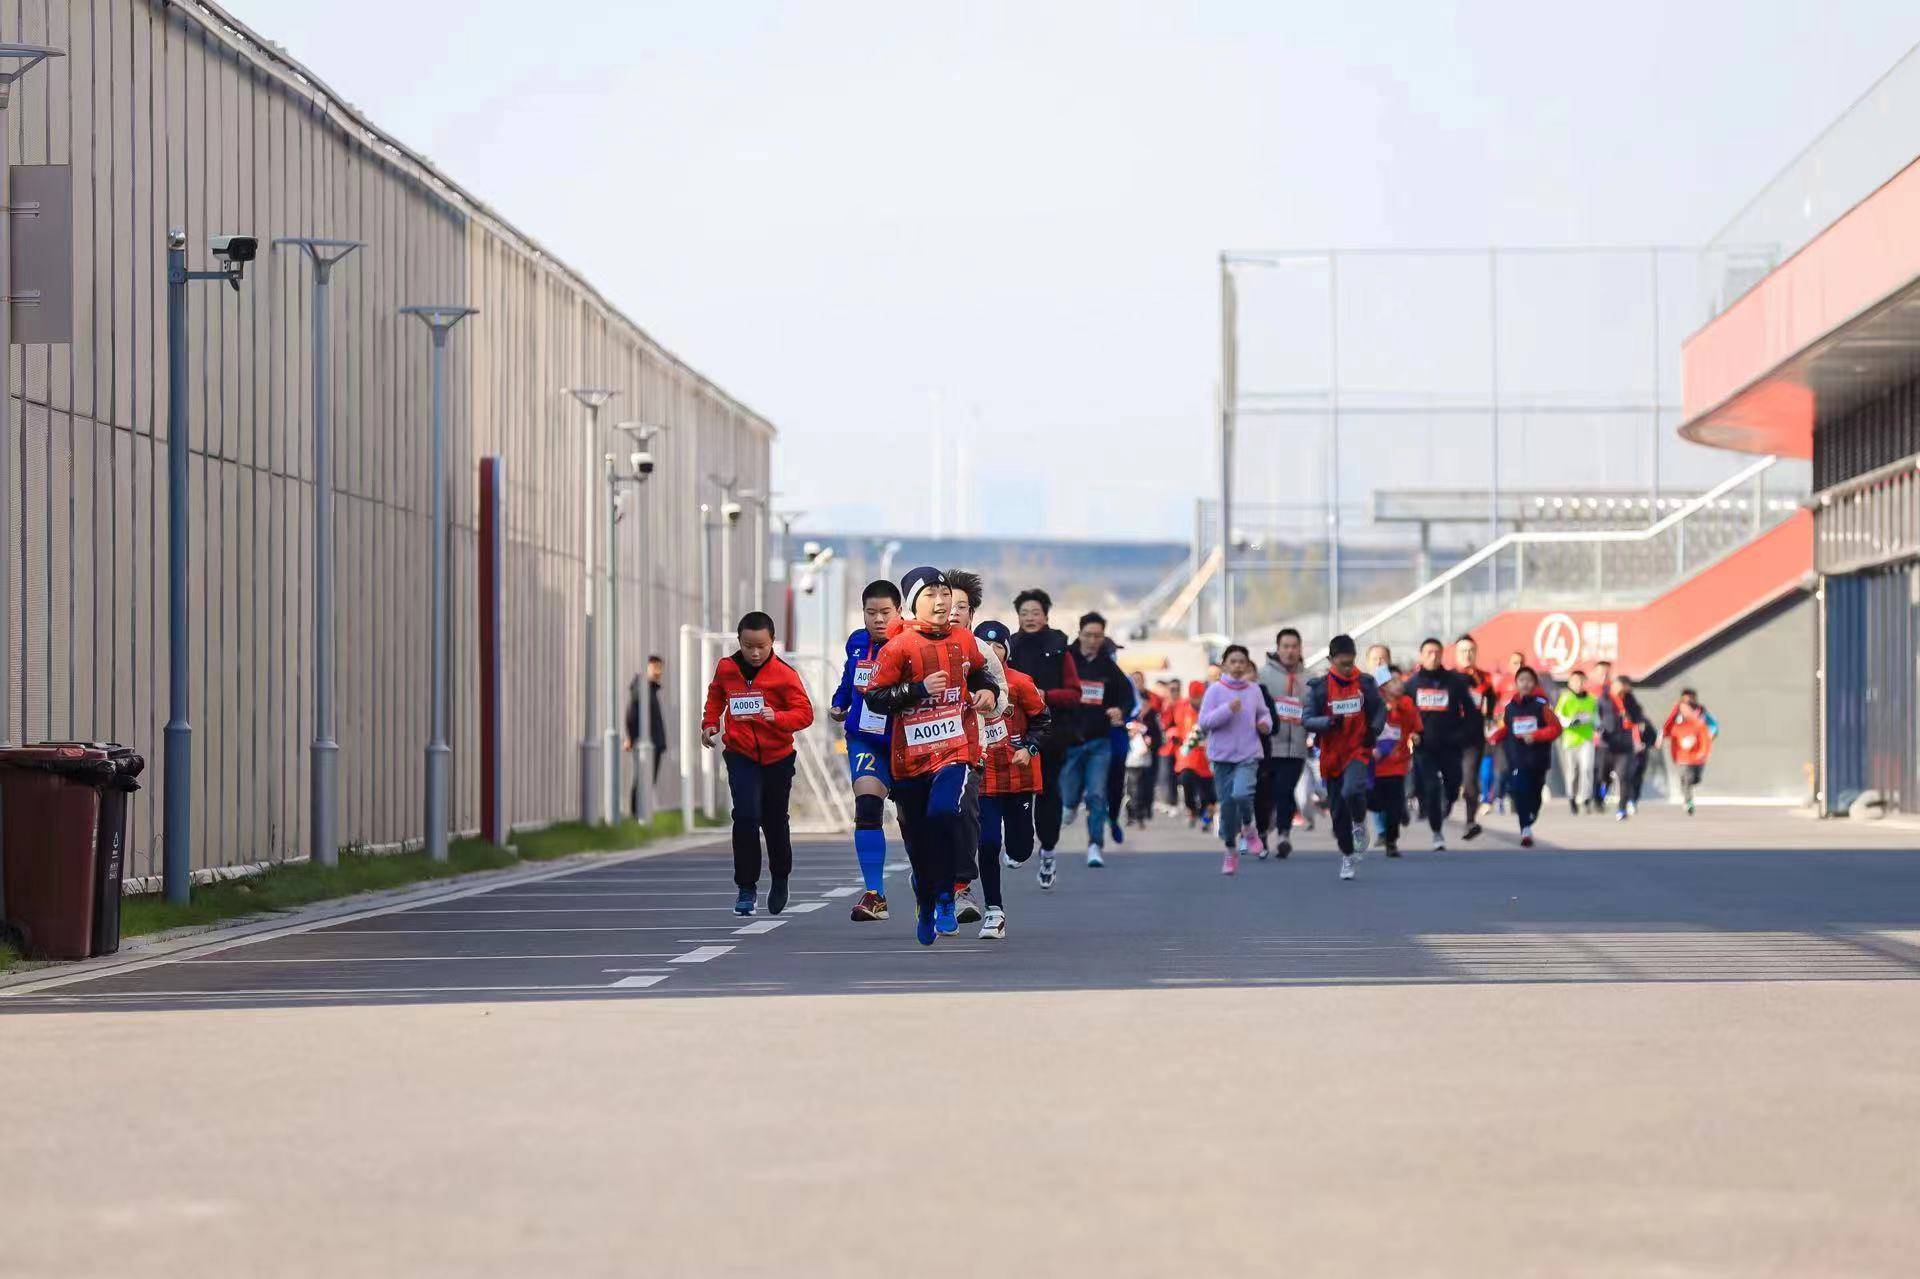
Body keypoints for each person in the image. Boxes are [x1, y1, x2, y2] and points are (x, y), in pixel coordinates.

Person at [861, 568, 999, 945]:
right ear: (911, 605)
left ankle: (948, 893)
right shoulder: (898, 647)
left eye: (944, 594)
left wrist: (987, 693)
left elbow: (981, 676)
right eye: (931, 596)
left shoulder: (963, 640)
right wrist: (917, 689)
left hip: (956, 748)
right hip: (910, 758)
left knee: (945, 810)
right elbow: (875, 697)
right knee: (918, 842)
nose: (941, 603)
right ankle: (927, 895)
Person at [700, 612, 816, 916]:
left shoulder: (784, 674)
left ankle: (780, 878)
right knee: (746, 816)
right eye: (748, 645)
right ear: (739, 641)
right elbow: (716, 697)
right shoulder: (727, 668)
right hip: (741, 755)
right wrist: (710, 723)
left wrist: (776, 717)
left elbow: (805, 713)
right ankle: (746, 887)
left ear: (772, 643)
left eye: (761, 646)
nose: (754, 652)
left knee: (775, 821)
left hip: (778, 757)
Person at [828, 579, 902, 923]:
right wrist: (840, 703)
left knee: (916, 823)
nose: (878, 619)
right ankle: (875, 894)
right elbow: (848, 679)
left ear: (899, 612)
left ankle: (936, 890)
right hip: (865, 739)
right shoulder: (857, 643)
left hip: (906, 741)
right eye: (871, 612)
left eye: (885, 612)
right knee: (868, 805)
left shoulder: (911, 644)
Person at [971, 620, 1051, 939]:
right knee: (988, 842)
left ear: (1007, 651)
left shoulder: (1020, 683)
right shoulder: (967, 685)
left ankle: (1016, 852)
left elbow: (1042, 720)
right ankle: (994, 910)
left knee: (1019, 848)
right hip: (983, 775)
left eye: (998, 647)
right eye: (984, 648)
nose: (991, 652)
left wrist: (1029, 748)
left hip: (1018, 775)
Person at [943, 569, 1009, 925]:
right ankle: (928, 875)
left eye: (962, 606)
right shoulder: (916, 643)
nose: (953, 611)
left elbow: (1000, 696)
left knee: (964, 812)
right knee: (927, 821)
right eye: (947, 603)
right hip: (922, 750)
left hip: (969, 747)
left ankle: (960, 886)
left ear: (972, 614)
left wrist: (987, 699)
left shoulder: (981, 650)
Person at [1005, 588, 1083, 889]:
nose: (1030, 618)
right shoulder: (1010, 646)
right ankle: (1017, 847)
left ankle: (1048, 851)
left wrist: (1045, 695)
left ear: (1046, 615)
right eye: (1024, 614)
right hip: (1015, 733)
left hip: (1052, 733)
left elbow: (1075, 693)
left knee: (1048, 795)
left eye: (1035, 613)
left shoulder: (1060, 646)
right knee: (1015, 794)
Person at [1303, 633, 1385, 882]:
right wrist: (1328, 722)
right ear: (1331, 660)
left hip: (1357, 750)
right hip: (1331, 756)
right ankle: (1347, 855)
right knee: (1337, 812)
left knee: (1353, 790)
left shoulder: (1366, 683)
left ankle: (1360, 822)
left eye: (1351, 662)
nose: (1348, 668)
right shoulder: (1318, 688)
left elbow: (1379, 709)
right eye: (1342, 663)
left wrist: (1373, 730)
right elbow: (1306, 719)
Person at [1060, 611, 1132, 869]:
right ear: (1079, 634)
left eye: (1098, 636)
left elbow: (1126, 696)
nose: (1092, 640)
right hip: (1070, 742)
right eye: (1088, 635)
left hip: (1099, 742)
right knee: (1068, 797)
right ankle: (1068, 808)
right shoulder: (1064, 659)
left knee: (1097, 794)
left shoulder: (1109, 668)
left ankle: (1094, 845)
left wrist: (1119, 711)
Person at [1200, 645, 1273, 875]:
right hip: (1222, 757)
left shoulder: (1254, 690)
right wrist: (1227, 710)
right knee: (1228, 806)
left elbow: (1264, 713)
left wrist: (1265, 725)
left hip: (1248, 753)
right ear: (1224, 665)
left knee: (1242, 793)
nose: (1238, 666)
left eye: (1242, 661)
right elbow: (1204, 722)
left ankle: (1249, 828)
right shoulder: (1215, 691)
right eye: (1233, 661)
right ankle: (1230, 851)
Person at [1404, 637, 1476, 851]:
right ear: (1421, 655)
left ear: (1442, 654)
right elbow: (1404, 714)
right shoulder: (1412, 684)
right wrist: (1410, 734)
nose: (1433, 656)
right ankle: (1437, 832)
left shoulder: (1454, 681)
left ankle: (1447, 804)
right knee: (1432, 787)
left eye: (1437, 652)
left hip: (1450, 745)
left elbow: (1470, 711)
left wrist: (1463, 735)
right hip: (1424, 747)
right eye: (1429, 653)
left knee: (1453, 785)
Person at [1487, 665, 1562, 847]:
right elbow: (1508, 728)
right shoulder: (1510, 708)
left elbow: (1556, 728)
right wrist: (1496, 736)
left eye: (1529, 680)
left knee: (1535, 794)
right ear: (1516, 684)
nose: (1525, 684)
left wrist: (1536, 735)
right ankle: (1525, 830)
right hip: (1517, 757)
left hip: (1538, 759)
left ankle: (1531, 815)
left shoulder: (1542, 708)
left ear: (1534, 684)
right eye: (1522, 680)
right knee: (1519, 791)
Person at [1255, 627, 1310, 858]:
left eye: (1294, 646)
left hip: (1296, 747)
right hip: (1268, 747)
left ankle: (1284, 835)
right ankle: (1262, 834)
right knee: (1265, 793)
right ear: (1277, 649)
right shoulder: (1262, 675)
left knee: (1285, 791)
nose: (1290, 651)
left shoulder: (1310, 679)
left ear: (1300, 649)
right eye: (1285, 646)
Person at [1369, 667, 1420, 856]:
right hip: (1375, 765)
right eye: (1394, 681)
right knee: (1375, 802)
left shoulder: (1406, 703)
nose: (1400, 685)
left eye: (1400, 681)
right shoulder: (1372, 705)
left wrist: (1415, 736)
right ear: (1383, 686)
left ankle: (1391, 842)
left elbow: (1416, 726)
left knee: (1393, 804)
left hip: (1398, 764)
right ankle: (1400, 810)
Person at [1451, 634, 1496, 840]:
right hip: (1449, 736)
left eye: (1471, 651)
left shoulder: (1484, 678)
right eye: (1463, 651)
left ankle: (1470, 821)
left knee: (1470, 780)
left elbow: (1492, 699)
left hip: (1473, 736)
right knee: (1451, 781)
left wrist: (1488, 718)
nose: (1467, 655)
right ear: (1456, 653)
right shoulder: (1448, 677)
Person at [624, 655, 672, 817]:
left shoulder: (650, 690)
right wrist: (631, 737)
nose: (658, 671)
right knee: (642, 778)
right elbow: (631, 713)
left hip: (654, 743)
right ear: (646, 668)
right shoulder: (641, 688)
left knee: (648, 780)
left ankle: (642, 814)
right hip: (645, 743)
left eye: (660, 667)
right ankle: (636, 814)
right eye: (654, 667)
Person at [1605, 674, 1656, 820]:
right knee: (1609, 773)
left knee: (1631, 776)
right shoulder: (1606, 701)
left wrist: (1646, 741)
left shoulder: (1632, 705)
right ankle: (1604, 792)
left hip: (1633, 748)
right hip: (1614, 745)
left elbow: (1643, 724)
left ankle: (1627, 804)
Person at [1663, 689, 1719, 814]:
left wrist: (1710, 734)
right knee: (1686, 776)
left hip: (1698, 750)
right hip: (1681, 751)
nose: (1688, 702)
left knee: (1695, 778)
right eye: (1685, 700)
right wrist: (1662, 735)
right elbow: (1668, 725)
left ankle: (1688, 785)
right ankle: (1688, 801)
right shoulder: (1677, 713)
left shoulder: (1702, 712)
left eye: (1690, 699)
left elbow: (1713, 725)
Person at [1553, 669, 1600, 817]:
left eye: (1581, 681)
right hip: (1571, 740)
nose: (1578, 684)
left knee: (1586, 768)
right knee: (1572, 772)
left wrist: (1595, 723)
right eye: (1575, 681)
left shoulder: (1592, 699)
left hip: (1587, 739)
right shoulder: (1565, 698)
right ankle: (1572, 797)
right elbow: (1558, 716)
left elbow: (1596, 717)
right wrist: (1570, 722)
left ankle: (1585, 798)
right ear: (1570, 683)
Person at [1170, 680, 1215, 829]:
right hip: (1188, 756)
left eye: (1199, 696)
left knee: (1208, 793)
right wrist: (1174, 735)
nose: (1196, 700)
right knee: (1185, 779)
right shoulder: (1181, 708)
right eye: (1193, 696)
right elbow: (1173, 726)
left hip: (1207, 758)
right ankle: (1191, 809)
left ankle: (1206, 817)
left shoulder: (1211, 709)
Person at [1590, 660, 1617, 809]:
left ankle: (1603, 794)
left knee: (1608, 770)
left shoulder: (1614, 690)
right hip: (1593, 738)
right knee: (1596, 770)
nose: (1604, 676)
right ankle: (1596, 798)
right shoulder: (1589, 691)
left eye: (1607, 673)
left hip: (1611, 737)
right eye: (1601, 672)